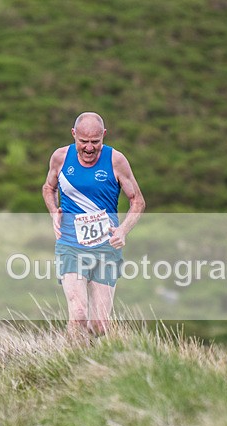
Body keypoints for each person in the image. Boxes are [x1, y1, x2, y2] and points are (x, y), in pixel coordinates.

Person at [41, 112, 145, 337]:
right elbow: (48, 188)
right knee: (78, 314)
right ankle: (70, 367)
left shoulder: (116, 160)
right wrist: (53, 213)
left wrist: (123, 230)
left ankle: (94, 366)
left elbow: (137, 201)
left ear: (104, 136)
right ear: (73, 135)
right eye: (83, 142)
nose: (89, 148)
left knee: (100, 325)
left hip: (105, 248)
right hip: (70, 244)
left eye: (95, 142)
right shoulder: (60, 157)